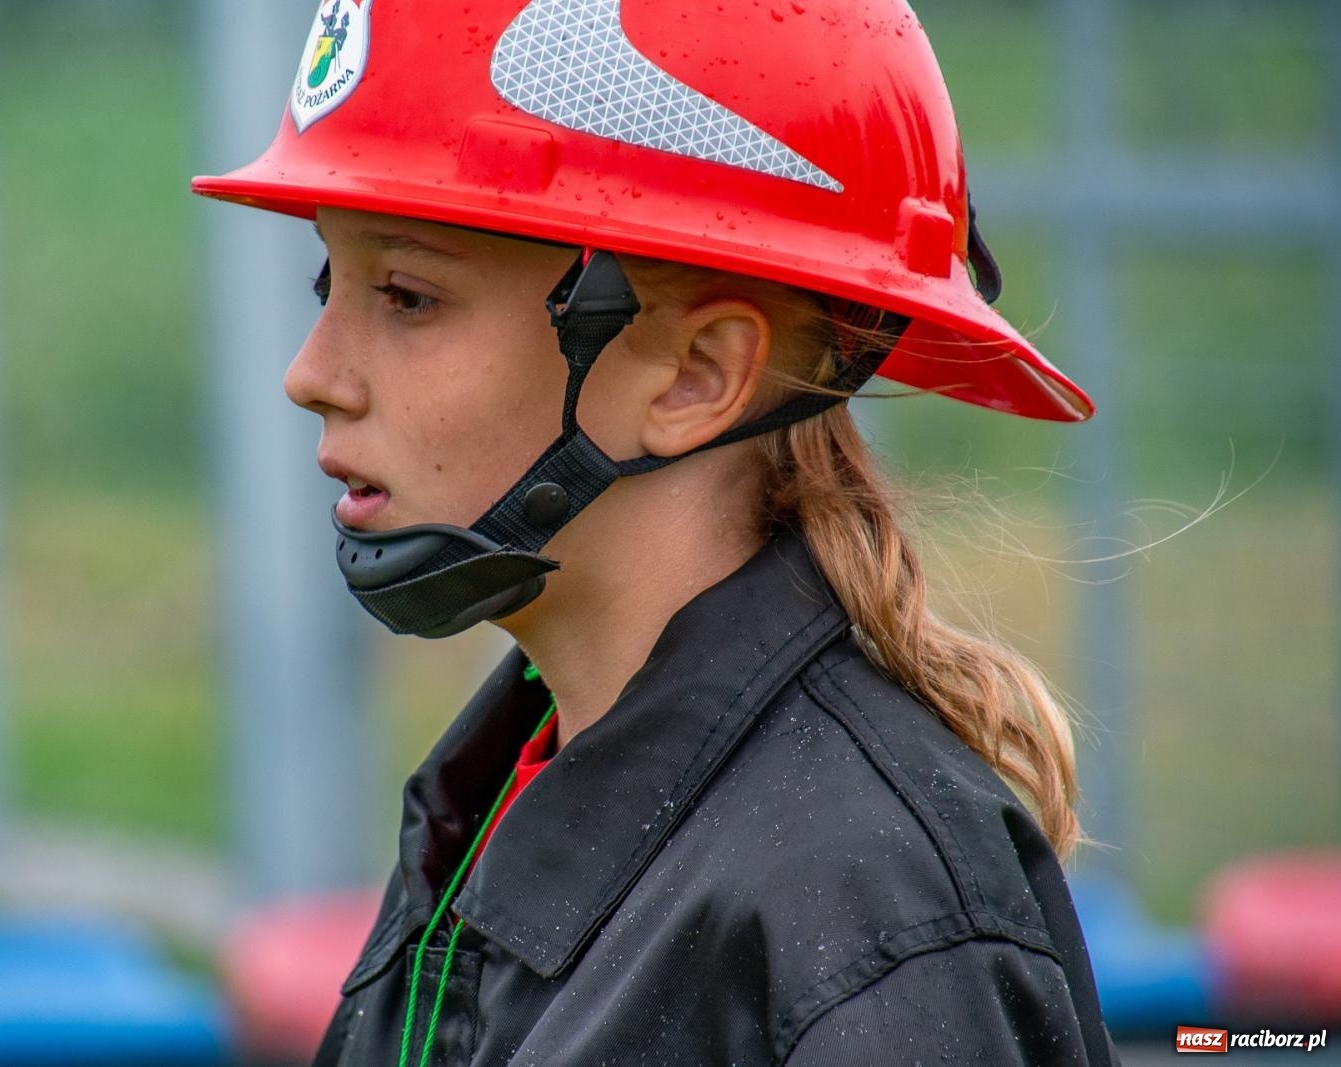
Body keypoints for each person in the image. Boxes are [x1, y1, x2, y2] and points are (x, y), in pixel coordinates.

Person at [195, 0, 1118, 1063]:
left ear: (694, 376)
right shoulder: (499, 788)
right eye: (330, 278)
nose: (310, 373)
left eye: (406, 294)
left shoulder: (862, 909)